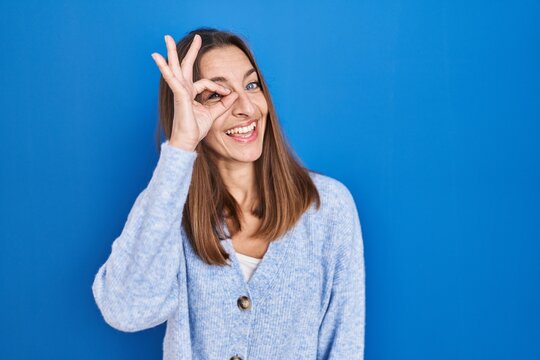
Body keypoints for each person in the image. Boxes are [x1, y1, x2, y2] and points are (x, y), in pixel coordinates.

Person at [92, 27, 365, 360]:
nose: (246, 107)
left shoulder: (328, 206)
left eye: (251, 85)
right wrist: (181, 145)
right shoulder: (166, 208)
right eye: (217, 94)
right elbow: (126, 310)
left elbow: (344, 346)